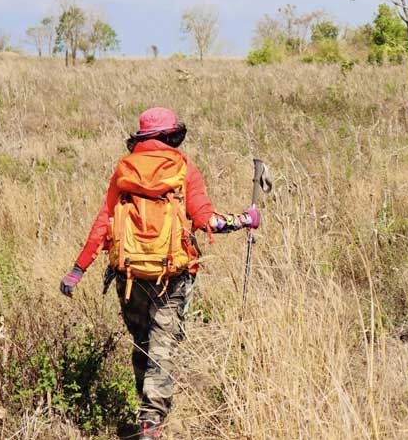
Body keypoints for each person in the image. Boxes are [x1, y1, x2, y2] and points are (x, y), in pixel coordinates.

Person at [59, 107, 260, 439]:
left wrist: (78, 269)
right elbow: (207, 221)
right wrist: (246, 219)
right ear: (171, 135)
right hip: (173, 276)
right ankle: (152, 424)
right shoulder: (184, 169)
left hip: (128, 275)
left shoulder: (124, 170)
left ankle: (146, 417)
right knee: (162, 346)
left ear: (140, 138)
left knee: (142, 344)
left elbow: (103, 222)